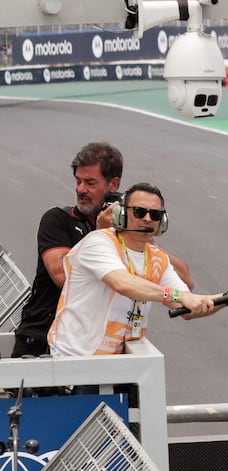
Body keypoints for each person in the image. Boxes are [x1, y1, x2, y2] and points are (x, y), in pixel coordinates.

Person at [11, 142, 194, 358]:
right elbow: (62, 276)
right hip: (44, 340)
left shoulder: (130, 229)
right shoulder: (57, 220)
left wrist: (141, 233)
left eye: (90, 183)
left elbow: (186, 282)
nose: (81, 189)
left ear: (113, 184)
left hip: (106, 348)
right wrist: (100, 232)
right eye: (78, 181)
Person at [47, 182, 228, 358]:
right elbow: (123, 283)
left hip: (117, 363)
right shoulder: (99, 243)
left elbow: (188, 305)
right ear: (121, 215)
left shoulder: (157, 258)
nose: (147, 219)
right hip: (74, 360)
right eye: (140, 212)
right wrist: (178, 296)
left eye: (155, 215)